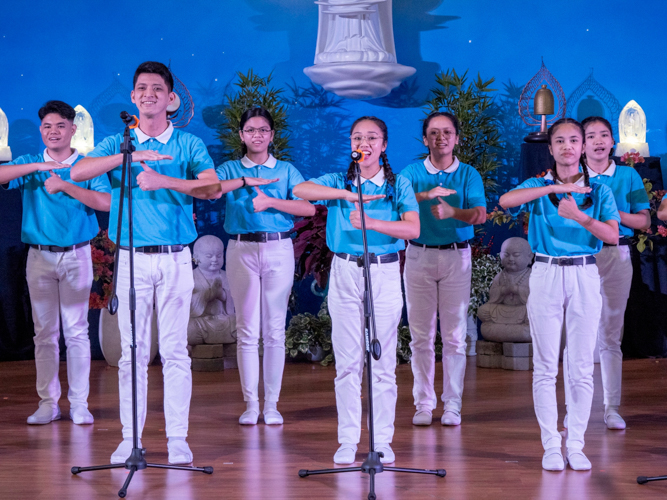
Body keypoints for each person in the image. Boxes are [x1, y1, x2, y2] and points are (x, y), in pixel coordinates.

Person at [71, 61, 273, 465]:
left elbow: (213, 188)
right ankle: (130, 439)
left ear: (170, 98)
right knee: (132, 351)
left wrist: (167, 181)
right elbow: (78, 171)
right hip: (130, 259)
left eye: (157, 88)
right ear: (132, 97)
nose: (149, 94)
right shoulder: (117, 143)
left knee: (176, 350)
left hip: (176, 259)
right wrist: (126, 157)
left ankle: (178, 438)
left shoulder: (188, 144)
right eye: (142, 88)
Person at [293, 116, 420, 465]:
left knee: (382, 362)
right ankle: (348, 439)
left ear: (384, 145)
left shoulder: (400, 185)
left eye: (372, 137)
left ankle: (381, 440)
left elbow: (412, 228)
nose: (364, 142)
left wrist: (373, 223)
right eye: (357, 137)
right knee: (348, 363)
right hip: (345, 270)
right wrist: (345, 194)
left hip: (384, 271)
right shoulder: (337, 181)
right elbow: (300, 191)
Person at [499, 118, 620, 471]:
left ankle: (577, 444)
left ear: (582, 147)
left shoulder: (599, 190)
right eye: (560, 141)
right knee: (545, 366)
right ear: (550, 149)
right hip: (547, 272)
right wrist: (550, 190)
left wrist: (580, 217)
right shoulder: (538, 185)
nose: (568, 147)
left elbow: (612, 236)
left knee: (581, 366)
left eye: (574, 141)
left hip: (584, 272)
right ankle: (551, 444)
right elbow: (507, 200)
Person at [0, 100, 111, 425]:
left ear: (72, 129)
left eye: (60, 126)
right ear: (41, 131)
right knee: (44, 333)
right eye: (47, 126)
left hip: (77, 254)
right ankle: (48, 403)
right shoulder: (31, 162)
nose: (53, 131)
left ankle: (79, 403)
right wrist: (36, 169)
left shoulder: (87, 166)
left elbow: (106, 201)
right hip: (39, 256)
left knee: (76, 332)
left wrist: (66, 185)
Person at [216, 107, 314, 425]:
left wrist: (271, 201)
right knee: (246, 330)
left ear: (272, 135)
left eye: (263, 130)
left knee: (274, 329)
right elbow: (209, 191)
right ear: (241, 135)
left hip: (278, 248)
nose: (257, 135)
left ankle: (271, 404)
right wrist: (244, 182)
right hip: (241, 248)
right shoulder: (230, 168)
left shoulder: (285, 170)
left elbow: (307, 208)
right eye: (251, 130)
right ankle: (250, 404)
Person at [562, 116, 650, 431]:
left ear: (613, 141)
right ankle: (575, 410)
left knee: (611, 335)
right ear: (581, 144)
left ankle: (611, 408)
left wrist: (610, 211)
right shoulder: (569, 177)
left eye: (604, 135)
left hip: (617, 255)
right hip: (580, 256)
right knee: (577, 334)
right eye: (591, 136)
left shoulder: (627, 176)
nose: (599, 141)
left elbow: (644, 222)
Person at [400, 111, 486, 427]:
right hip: (419, 256)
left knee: (453, 336)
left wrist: (453, 211)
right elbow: (396, 203)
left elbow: (480, 215)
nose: (441, 138)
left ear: (456, 138)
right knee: (421, 337)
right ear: (425, 139)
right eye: (434, 133)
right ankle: (423, 404)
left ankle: (452, 405)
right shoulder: (410, 172)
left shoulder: (468, 174)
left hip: (455, 257)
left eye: (447, 132)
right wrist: (426, 195)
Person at [188, 235, 236, 346]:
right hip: (201, 322)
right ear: (196, 257)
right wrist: (208, 295)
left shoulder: (228, 276)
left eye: (219, 255)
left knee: (247, 323)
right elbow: (186, 304)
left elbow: (237, 304)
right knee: (187, 329)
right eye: (209, 256)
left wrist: (223, 295)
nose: (215, 259)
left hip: (226, 320)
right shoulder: (190, 277)